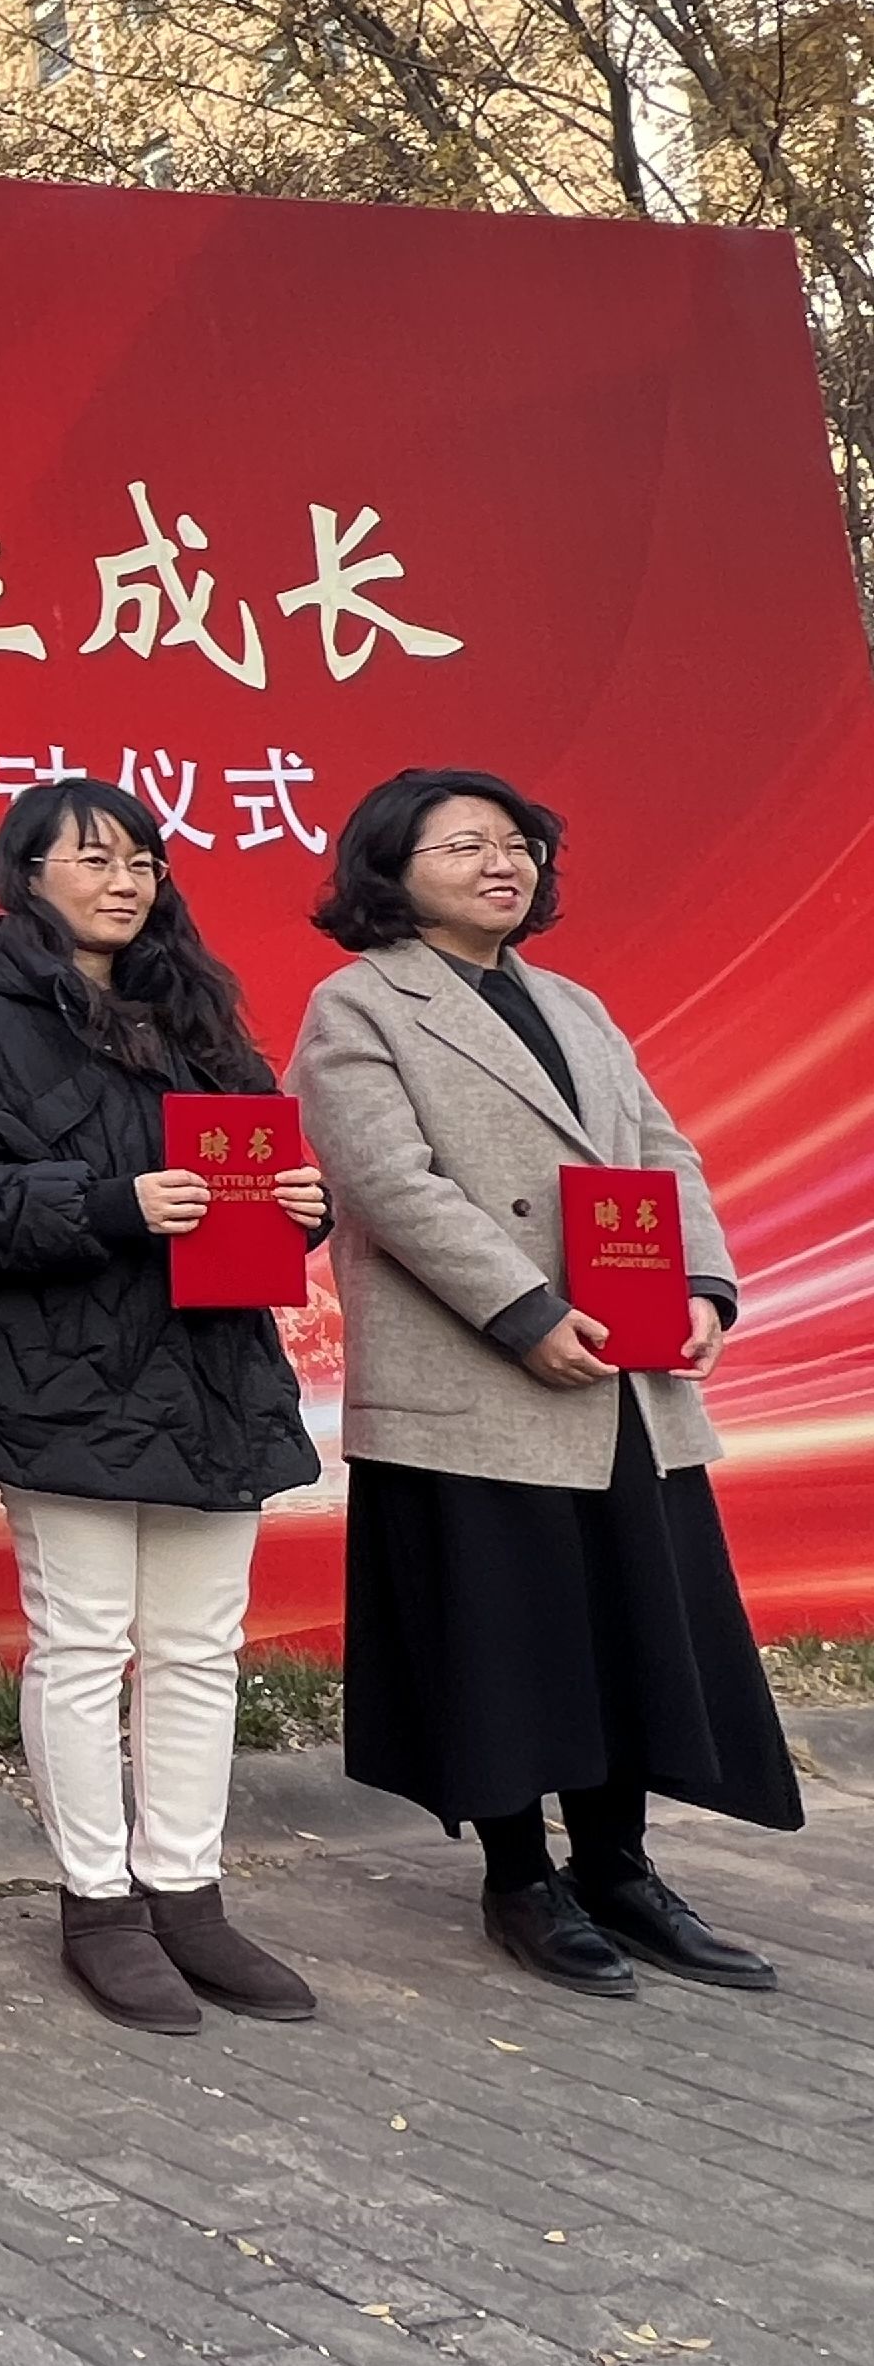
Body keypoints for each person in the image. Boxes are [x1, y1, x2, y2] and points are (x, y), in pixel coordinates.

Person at [289, 767, 796, 1996]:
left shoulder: (575, 1003)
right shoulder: (360, 1005)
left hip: (622, 1372)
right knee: (507, 1639)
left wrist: (702, 1287)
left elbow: (664, 1149)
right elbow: (390, 1184)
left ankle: (618, 1869)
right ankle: (519, 1880)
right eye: (464, 845)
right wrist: (524, 1313)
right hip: (478, 1374)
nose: (501, 864)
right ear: (390, 871)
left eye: (516, 844)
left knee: (629, 1624)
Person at [0, 781, 328, 2033]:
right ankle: (98, 1906)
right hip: (57, 1372)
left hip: (210, 1371)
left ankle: (187, 1893)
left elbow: (256, 1160)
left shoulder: (194, 1011)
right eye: (94, 859)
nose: (125, 881)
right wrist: (117, 1204)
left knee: (198, 1646)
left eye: (142, 861)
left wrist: (299, 1208)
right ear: (25, 876)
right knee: (83, 1645)